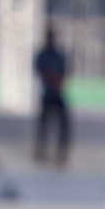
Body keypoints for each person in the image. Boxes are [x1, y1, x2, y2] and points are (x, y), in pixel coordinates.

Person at [34, 28, 70, 166]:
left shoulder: (58, 55)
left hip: (57, 93)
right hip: (48, 93)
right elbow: (40, 71)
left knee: (64, 123)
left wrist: (56, 81)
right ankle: (41, 150)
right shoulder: (43, 55)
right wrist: (50, 80)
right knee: (43, 123)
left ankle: (61, 151)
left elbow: (63, 72)